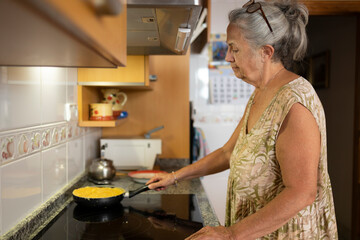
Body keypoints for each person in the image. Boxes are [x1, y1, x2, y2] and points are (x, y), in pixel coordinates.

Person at [147, 0, 338, 238]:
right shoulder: (261, 91)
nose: (227, 57)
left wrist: (229, 234)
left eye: (234, 48)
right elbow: (228, 152)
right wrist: (175, 177)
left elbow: (302, 192)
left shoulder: (294, 102)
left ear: (266, 52)